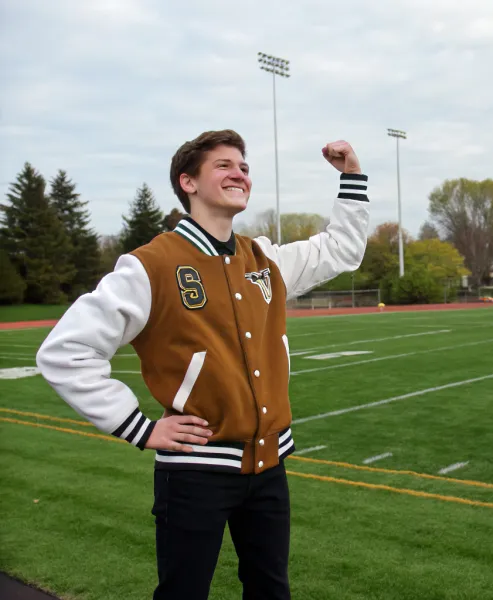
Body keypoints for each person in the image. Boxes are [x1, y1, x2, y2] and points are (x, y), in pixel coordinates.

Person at [36, 129, 370, 599]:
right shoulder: (149, 265)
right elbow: (64, 352)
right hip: (195, 473)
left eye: (245, 167)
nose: (240, 173)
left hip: (269, 467)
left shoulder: (264, 258)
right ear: (187, 182)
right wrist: (141, 428)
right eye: (224, 165)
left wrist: (352, 177)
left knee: (271, 591)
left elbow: (342, 249)